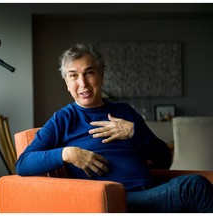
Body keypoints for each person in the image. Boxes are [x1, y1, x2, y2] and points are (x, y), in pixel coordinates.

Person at [16, 43, 213, 213]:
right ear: (67, 82)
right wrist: (67, 153)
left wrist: (137, 133)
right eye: (74, 76)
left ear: (101, 75)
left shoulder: (124, 111)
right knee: (193, 187)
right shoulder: (63, 119)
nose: (82, 83)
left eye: (89, 73)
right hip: (117, 201)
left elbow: (164, 159)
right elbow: (23, 163)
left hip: (152, 192)